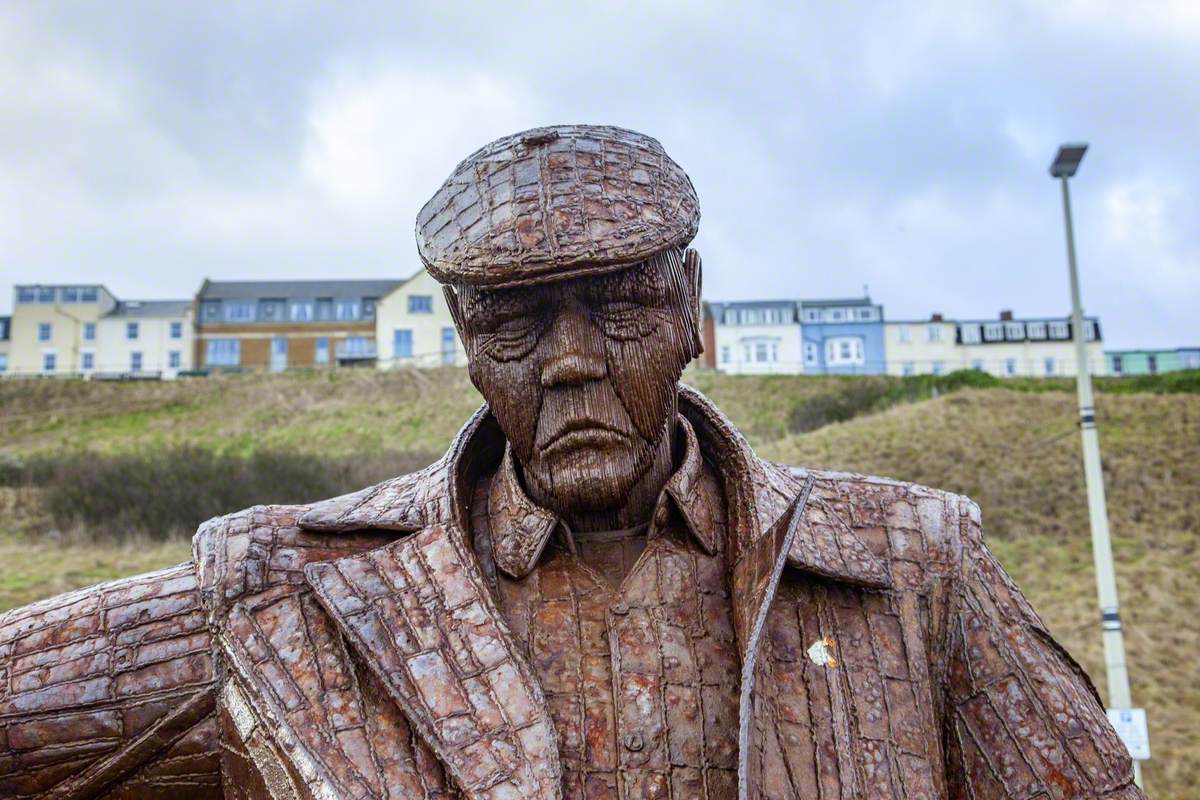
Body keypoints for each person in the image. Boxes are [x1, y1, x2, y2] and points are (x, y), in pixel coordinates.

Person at [0, 125, 1143, 800]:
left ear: (694, 307)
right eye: (517, 324)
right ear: (462, 341)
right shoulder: (284, 595)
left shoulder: (913, 567)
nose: (571, 362)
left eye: (618, 306)